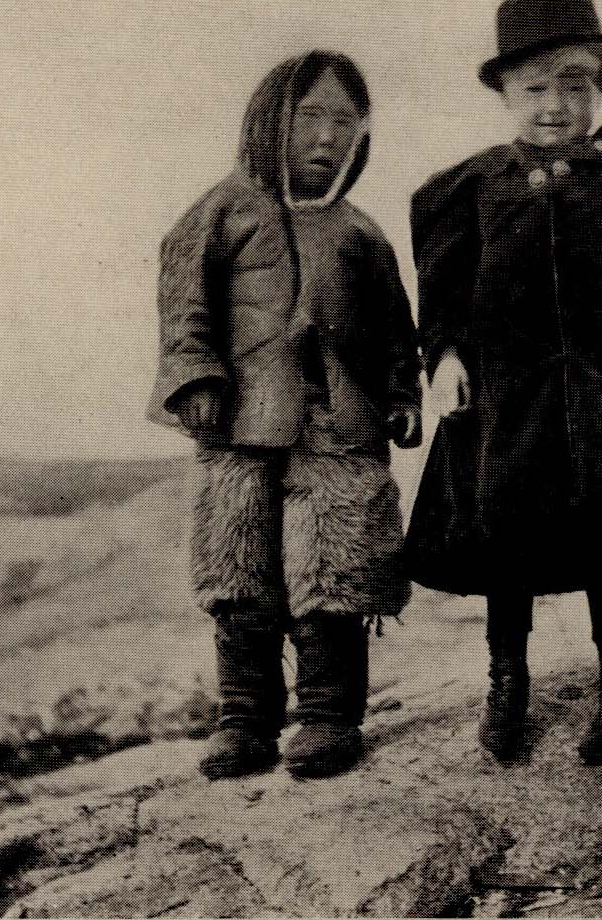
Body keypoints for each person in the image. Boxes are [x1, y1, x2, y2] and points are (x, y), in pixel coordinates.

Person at [406, 0, 602, 767]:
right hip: (507, 398)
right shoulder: (467, 188)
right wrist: (442, 358)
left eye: (573, 84)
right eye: (535, 86)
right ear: (505, 93)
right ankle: (506, 680)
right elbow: (441, 293)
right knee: (508, 536)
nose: (555, 103)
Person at [147, 51, 422, 781]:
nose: (326, 137)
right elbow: (185, 307)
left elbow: (396, 328)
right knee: (240, 571)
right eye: (310, 118)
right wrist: (195, 378)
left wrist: (400, 394)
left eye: (343, 121)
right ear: (273, 118)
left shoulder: (360, 232)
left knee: (335, 568)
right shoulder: (220, 211)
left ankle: (330, 716)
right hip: (237, 425)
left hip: (338, 427)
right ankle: (244, 719)